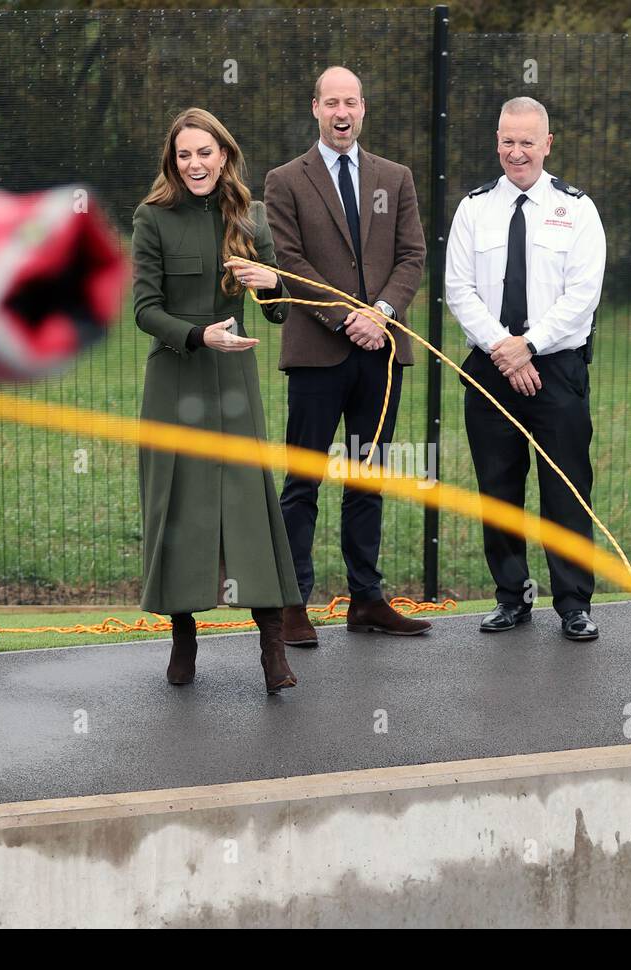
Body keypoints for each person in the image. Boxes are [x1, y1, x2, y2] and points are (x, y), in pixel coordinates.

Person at [132, 107, 302, 692]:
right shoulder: (152, 218)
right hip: (175, 379)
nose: (195, 164)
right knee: (178, 507)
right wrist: (197, 335)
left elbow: (281, 311)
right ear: (172, 162)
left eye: (205, 152)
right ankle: (184, 640)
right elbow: (144, 310)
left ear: (223, 156)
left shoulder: (249, 217)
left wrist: (271, 284)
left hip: (234, 380)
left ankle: (273, 650)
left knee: (250, 505)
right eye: (184, 154)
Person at [264, 65, 429, 647]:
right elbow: (288, 263)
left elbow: (412, 256)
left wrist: (379, 314)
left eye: (351, 102)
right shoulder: (285, 180)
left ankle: (366, 601)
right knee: (302, 482)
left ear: (363, 107)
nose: (342, 112)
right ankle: (292, 605)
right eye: (332, 102)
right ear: (315, 108)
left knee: (368, 479)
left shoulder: (396, 177)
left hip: (381, 353)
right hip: (316, 353)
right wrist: (345, 318)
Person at [445, 96, 605, 641]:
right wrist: (505, 349)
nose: (517, 152)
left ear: (547, 144)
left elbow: (583, 295)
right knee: (499, 487)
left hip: (556, 369)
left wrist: (529, 345)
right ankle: (511, 598)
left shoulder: (578, 209)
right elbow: (458, 290)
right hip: (491, 367)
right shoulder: (473, 208)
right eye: (508, 141)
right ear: (497, 142)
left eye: (528, 142)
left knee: (566, 489)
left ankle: (574, 604)